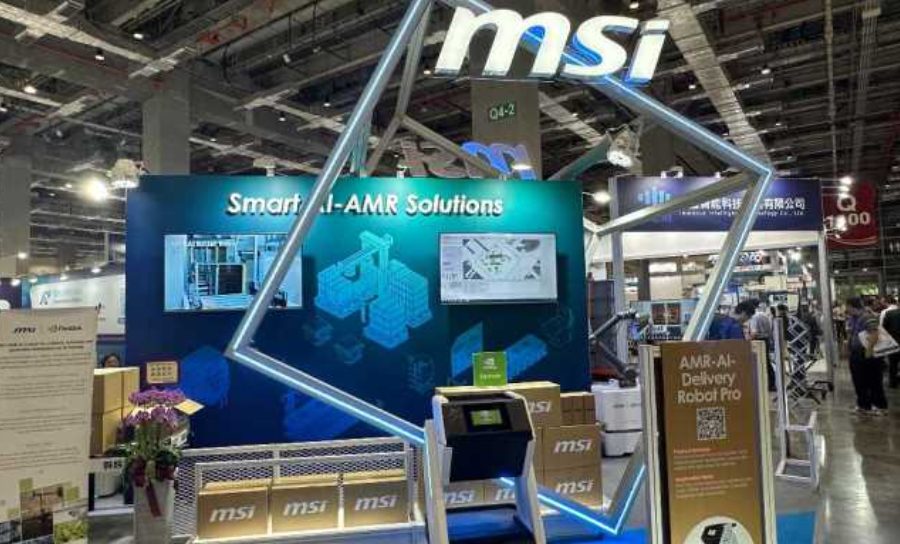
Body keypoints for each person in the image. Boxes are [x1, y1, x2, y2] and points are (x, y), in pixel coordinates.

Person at [847, 297, 888, 414]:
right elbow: (851, 333)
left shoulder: (867, 317)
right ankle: (864, 405)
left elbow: (874, 333)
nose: (846, 309)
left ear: (851, 306)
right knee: (859, 381)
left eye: (847, 306)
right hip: (856, 355)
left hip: (868, 354)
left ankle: (880, 406)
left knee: (873, 381)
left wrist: (868, 351)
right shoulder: (853, 318)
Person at [748, 300, 776, 391]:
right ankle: (771, 383)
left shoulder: (754, 317)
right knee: (767, 362)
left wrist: (747, 341)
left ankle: (762, 385)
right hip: (766, 340)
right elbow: (770, 330)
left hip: (758, 341)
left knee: (758, 363)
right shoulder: (764, 316)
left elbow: (754, 333)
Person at [880, 296, 900, 389]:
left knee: (893, 364)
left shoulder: (889, 313)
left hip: (893, 342)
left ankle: (893, 383)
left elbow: (884, 328)